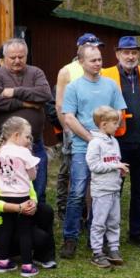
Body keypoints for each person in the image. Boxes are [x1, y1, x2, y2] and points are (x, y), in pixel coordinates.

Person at [61, 44, 126, 263]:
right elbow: (69, 117)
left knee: (104, 193)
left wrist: (105, 136)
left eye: (99, 59)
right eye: (93, 60)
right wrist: (92, 139)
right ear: (81, 62)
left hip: (108, 148)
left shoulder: (111, 85)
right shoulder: (74, 87)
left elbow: (119, 112)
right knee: (78, 192)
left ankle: (97, 237)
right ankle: (70, 237)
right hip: (82, 147)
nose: (98, 63)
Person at [100, 36, 140, 250]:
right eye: (126, 52)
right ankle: (107, 234)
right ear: (117, 54)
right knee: (114, 189)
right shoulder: (106, 74)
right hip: (118, 140)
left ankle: (136, 232)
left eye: (134, 52)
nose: (130, 56)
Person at [0, 38, 52, 202]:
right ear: (4, 58)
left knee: (39, 181)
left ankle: (37, 213)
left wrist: (15, 92)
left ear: (26, 56)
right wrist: (26, 103)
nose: (17, 61)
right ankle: (12, 213)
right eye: (12, 57)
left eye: (21, 57)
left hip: (34, 141)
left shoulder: (36, 73)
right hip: (6, 142)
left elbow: (45, 94)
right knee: (9, 183)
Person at [54, 34, 102, 218]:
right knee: (70, 170)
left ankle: (88, 213)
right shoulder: (67, 70)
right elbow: (60, 104)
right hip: (72, 127)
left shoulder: (100, 69)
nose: (95, 50)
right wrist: (67, 129)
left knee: (92, 171)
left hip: (95, 129)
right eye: (90, 46)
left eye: (97, 46)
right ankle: (66, 208)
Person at [0, 116, 40, 276]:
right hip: (22, 196)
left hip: (5, 195)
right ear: (16, 135)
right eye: (27, 136)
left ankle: (2, 262)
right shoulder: (23, 152)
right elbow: (32, 176)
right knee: (25, 231)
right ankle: (27, 265)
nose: (28, 140)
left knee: (7, 229)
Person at [86, 106, 129, 268]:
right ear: (103, 124)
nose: (117, 126)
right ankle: (97, 252)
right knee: (99, 222)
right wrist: (115, 166)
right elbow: (94, 166)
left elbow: (115, 161)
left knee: (114, 221)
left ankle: (113, 248)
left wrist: (120, 170)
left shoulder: (114, 141)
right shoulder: (95, 143)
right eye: (115, 123)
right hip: (101, 190)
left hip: (114, 188)